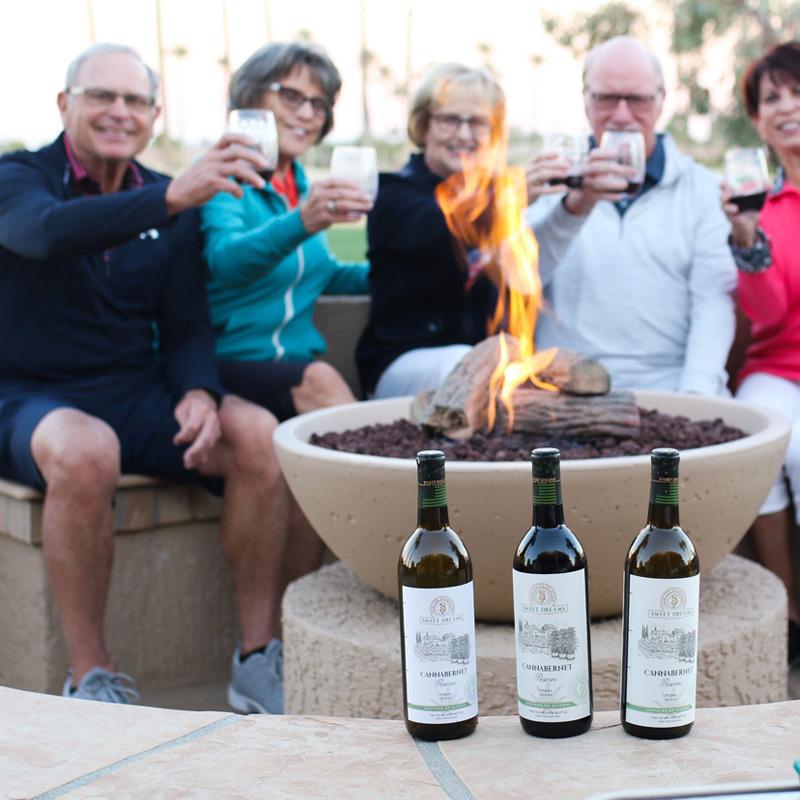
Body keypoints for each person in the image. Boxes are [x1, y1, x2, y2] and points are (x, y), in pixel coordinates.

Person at [0, 43, 321, 712]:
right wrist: (172, 198)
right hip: (31, 395)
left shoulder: (163, 200)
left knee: (258, 433)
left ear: (153, 115)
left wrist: (200, 392)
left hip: (134, 392)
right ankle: (90, 676)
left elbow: (184, 325)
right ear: (66, 104)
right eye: (101, 96)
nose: (120, 111)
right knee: (88, 451)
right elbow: (46, 233)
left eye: (136, 100)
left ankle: (255, 657)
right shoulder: (19, 178)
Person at [356, 63, 590, 399]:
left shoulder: (497, 194)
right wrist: (512, 196)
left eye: (478, 123)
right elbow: (440, 228)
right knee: (475, 366)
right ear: (424, 125)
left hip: (491, 366)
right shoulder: (392, 193)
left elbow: (526, 273)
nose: (464, 135)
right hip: (404, 363)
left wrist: (578, 205)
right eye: (449, 120)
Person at [525, 36, 737, 396]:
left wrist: (696, 398)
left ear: (660, 102)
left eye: (637, 99)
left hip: (669, 383)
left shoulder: (701, 189)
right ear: (586, 102)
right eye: (607, 98)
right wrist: (575, 208)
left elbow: (712, 301)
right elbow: (522, 283)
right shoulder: (550, 182)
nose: (622, 115)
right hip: (563, 387)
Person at [201, 42, 372, 420]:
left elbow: (321, 272)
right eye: (291, 96)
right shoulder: (218, 176)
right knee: (323, 382)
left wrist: (411, 269)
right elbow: (226, 261)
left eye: (319, 103)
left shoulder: (300, 186)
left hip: (288, 367)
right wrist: (303, 222)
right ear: (250, 98)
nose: (307, 113)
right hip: (222, 364)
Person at [721, 41, 800, 664]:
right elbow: (768, 313)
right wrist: (746, 237)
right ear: (757, 121)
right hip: (778, 369)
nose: (787, 106)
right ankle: (788, 608)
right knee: (768, 445)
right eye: (771, 98)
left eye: (797, 91)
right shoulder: (762, 209)